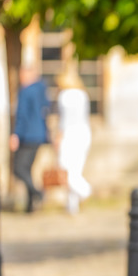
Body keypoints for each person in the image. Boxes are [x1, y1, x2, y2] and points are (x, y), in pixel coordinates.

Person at [10, 65, 49, 213]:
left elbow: (22, 115)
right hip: (39, 135)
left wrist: (16, 135)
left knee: (19, 169)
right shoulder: (41, 90)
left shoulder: (26, 91)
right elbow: (45, 111)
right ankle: (29, 206)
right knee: (27, 169)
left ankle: (38, 193)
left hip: (27, 135)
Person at [54, 67, 92, 214]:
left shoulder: (64, 96)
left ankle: (86, 191)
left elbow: (64, 121)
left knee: (67, 170)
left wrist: (58, 137)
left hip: (70, 135)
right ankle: (72, 206)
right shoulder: (83, 94)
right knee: (76, 169)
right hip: (84, 134)